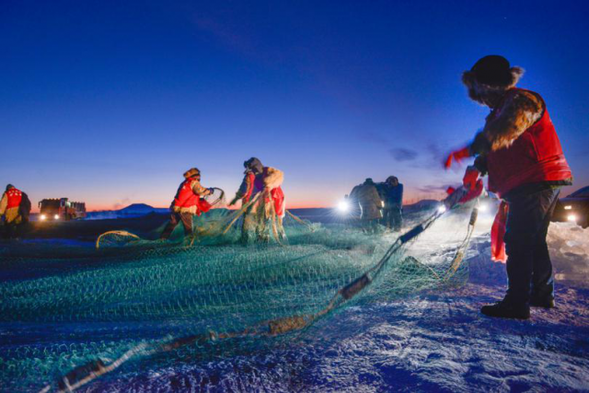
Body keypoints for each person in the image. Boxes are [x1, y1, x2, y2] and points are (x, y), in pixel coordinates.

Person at [445, 55, 573, 319]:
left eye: (480, 90)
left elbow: (507, 130)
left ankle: (517, 303)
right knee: (534, 240)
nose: (479, 98)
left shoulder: (523, 101)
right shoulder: (497, 112)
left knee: (519, 240)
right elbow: (497, 150)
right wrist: (477, 168)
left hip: (536, 177)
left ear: (492, 84)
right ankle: (540, 293)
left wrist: (468, 150)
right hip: (530, 180)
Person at [229, 157, 285, 243]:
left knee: (261, 222)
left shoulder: (269, 175)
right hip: (258, 203)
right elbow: (244, 189)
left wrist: (267, 185)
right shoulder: (254, 176)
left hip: (267, 202)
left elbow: (244, 190)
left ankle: (259, 240)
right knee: (261, 223)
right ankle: (260, 240)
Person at [160, 168, 213, 241]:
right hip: (186, 209)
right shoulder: (194, 182)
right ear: (196, 176)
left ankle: (162, 239)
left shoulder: (185, 183)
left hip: (176, 207)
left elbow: (187, 194)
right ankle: (189, 244)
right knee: (188, 229)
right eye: (199, 176)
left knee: (171, 225)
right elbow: (200, 191)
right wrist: (210, 191)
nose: (199, 178)